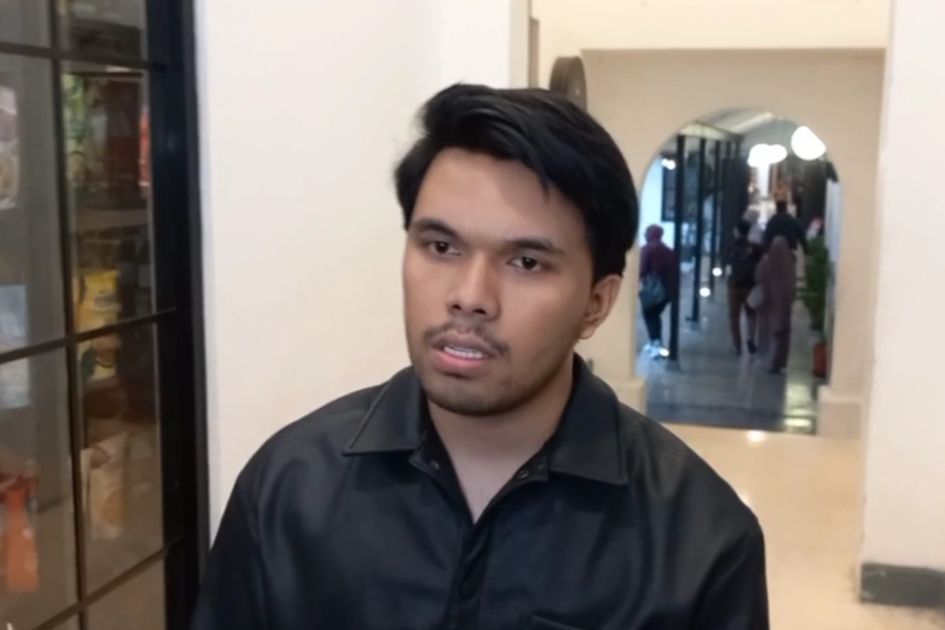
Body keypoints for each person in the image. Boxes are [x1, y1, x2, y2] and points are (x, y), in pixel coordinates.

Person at [191, 84, 768, 630]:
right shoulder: (289, 488)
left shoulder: (699, 539)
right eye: (441, 246)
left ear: (596, 303)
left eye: (526, 263)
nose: (469, 296)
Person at [756, 236, 797, 374]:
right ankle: (779, 361)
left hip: (769, 305)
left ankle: (770, 360)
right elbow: (792, 287)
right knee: (782, 332)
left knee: (770, 332)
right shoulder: (789, 265)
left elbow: (759, 279)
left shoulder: (766, 262)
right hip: (783, 306)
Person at [638, 224, 677, 357]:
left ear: (650, 234)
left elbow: (642, 270)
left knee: (649, 314)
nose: (644, 235)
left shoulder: (647, 249)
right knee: (655, 315)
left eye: (646, 232)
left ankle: (655, 342)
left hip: (653, 290)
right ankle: (655, 342)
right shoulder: (668, 250)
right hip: (667, 291)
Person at [726, 220, 761, 355]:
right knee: (751, 314)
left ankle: (737, 346)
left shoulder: (731, 247)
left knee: (734, 317)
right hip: (750, 286)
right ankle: (750, 339)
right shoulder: (755, 248)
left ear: (738, 231)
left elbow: (727, 263)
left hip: (734, 286)